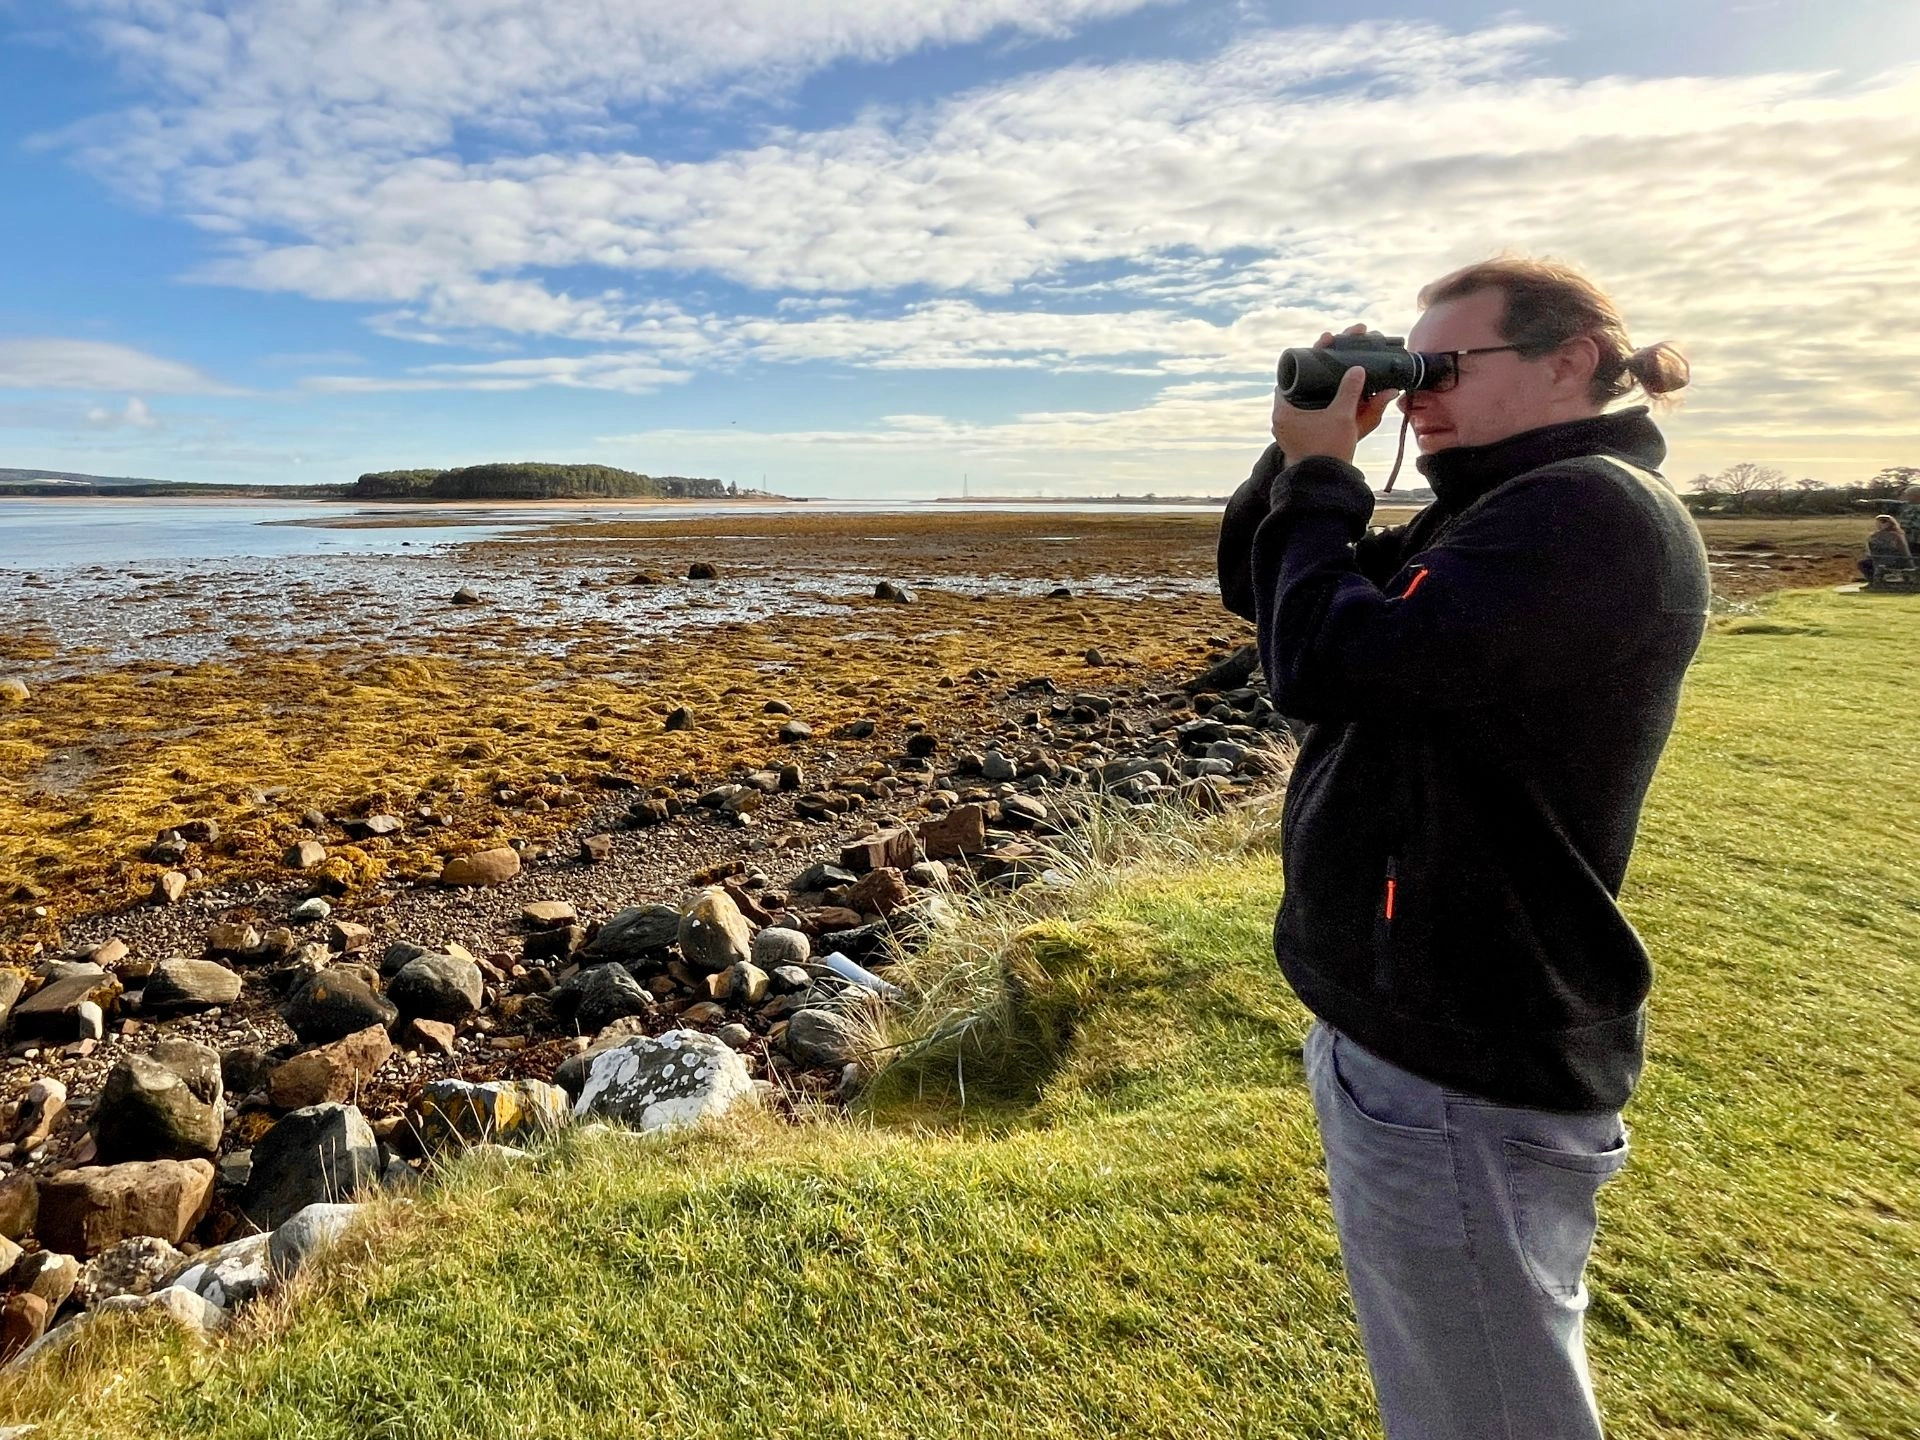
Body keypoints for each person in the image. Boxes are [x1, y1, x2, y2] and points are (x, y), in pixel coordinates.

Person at [1217, 256, 1711, 1440]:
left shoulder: (1585, 514)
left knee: (1482, 1406)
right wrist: (1300, 458)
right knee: (1464, 1383)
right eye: (1411, 368)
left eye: (1441, 366)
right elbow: (1264, 592)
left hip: (1464, 1040)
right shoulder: (1507, 508)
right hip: (1429, 1024)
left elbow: (1328, 663)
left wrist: (1328, 476)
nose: (1419, 393)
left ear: (1568, 360)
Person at [1859, 513, 1913, 581]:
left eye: (1884, 522)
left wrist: (1910, 564)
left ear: (1890, 523)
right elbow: (1870, 549)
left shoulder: (1897, 535)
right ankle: (1872, 581)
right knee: (1863, 563)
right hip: (1878, 559)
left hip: (1895, 560)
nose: (1880, 524)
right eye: (1879, 522)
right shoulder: (1874, 536)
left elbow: (1903, 551)